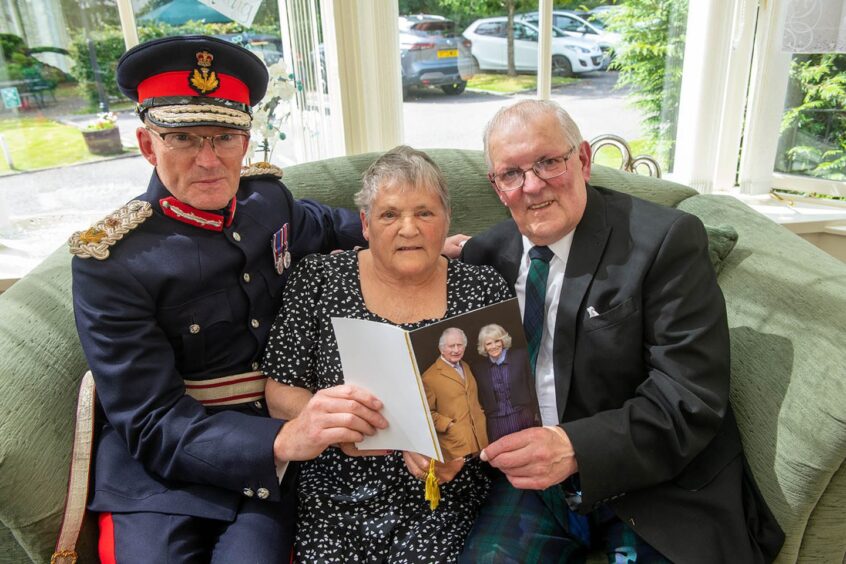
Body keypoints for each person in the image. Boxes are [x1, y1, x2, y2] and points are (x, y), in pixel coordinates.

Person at [70, 35, 386, 563]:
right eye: (185, 139)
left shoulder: (268, 202)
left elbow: (332, 227)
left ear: (246, 141)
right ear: (149, 146)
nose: (209, 160)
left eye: (224, 137)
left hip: (269, 465)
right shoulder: (111, 262)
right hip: (160, 475)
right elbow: (149, 422)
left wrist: (414, 241)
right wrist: (282, 441)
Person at [460, 100, 785, 563]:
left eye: (548, 162)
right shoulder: (484, 256)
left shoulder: (665, 241)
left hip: (653, 483)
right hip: (533, 484)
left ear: (584, 160)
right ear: (496, 186)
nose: (531, 186)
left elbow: (689, 397)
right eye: (510, 174)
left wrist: (573, 447)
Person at [263, 145, 512, 562]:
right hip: (336, 491)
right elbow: (279, 392)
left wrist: (462, 451)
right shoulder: (319, 278)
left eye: (425, 213)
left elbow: (506, 399)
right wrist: (334, 424)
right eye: (390, 214)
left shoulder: (482, 289)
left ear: (447, 220)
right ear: (365, 224)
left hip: (444, 494)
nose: (409, 229)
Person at [422, 327, 489, 460]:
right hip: (456, 445)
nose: (456, 350)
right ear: (441, 349)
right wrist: (450, 426)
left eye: (460, 345)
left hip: (481, 439)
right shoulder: (428, 377)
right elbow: (426, 414)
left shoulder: (465, 366)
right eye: (451, 346)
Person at [473, 323, 539, 442]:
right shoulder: (478, 368)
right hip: (496, 423)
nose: (493, 346)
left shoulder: (521, 356)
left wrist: (537, 411)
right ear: (484, 347)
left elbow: (532, 384)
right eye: (488, 343)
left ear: (503, 341)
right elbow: (478, 395)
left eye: (497, 341)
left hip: (523, 415)